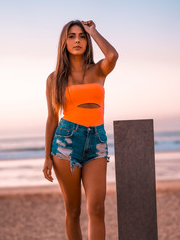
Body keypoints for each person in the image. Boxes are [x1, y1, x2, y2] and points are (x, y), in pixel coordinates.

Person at [43, 19, 118, 240]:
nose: (77, 40)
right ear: (64, 42)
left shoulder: (99, 70)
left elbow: (113, 56)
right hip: (65, 141)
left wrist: (93, 31)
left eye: (81, 36)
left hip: (97, 140)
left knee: (96, 208)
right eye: (72, 36)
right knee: (73, 210)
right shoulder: (55, 79)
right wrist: (46, 156)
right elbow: (51, 118)